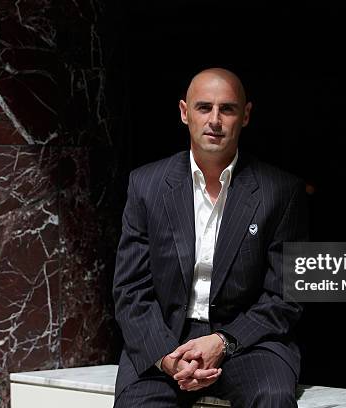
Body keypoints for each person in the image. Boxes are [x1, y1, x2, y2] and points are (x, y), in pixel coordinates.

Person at [113, 67, 308, 407]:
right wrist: (167, 357)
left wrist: (223, 341)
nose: (215, 119)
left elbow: (285, 296)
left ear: (245, 116)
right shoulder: (146, 185)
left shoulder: (281, 191)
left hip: (248, 342)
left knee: (274, 397)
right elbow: (130, 290)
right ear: (184, 113)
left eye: (227, 109)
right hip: (165, 336)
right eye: (204, 107)